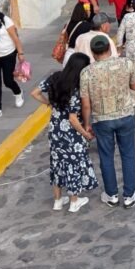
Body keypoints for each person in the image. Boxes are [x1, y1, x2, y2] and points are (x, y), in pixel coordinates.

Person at [31, 53, 97, 213]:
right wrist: (85, 133)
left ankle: (58, 201)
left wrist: (49, 103)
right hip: (71, 133)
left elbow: (35, 93)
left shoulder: (54, 78)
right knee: (73, 163)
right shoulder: (76, 88)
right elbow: (73, 119)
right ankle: (74, 201)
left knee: (57, 163)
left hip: (55, 129)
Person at [80, 35, 135, 209]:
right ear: (109, 47)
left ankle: (111, 194)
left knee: (106, 157)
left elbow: (86, 104)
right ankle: (129, 195)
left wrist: (86, 124)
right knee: (128, 155)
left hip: (102, 119)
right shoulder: (126, 63)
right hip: (125, 115)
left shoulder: (86, 73)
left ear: (93, 52)